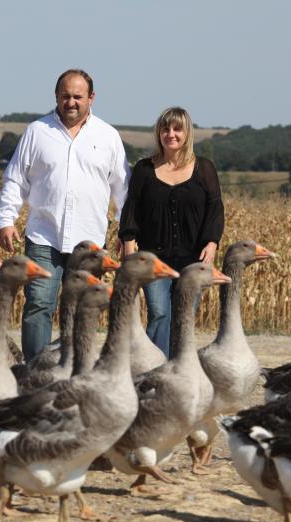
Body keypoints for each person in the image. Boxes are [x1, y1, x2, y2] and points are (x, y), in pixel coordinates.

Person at [0, 68, 129, 361]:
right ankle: (34, 372)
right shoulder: (37, 132)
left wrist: (125, 229)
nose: (71, 102)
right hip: (44, 235)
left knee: (84, 308)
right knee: (38, 305)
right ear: (56, 96)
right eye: (65, 96)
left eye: (78, 97)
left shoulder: (108, 136)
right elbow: (15, 179)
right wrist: (6, 219)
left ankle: (76, 369)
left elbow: (123, 188)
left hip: (89, 242)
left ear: (91, 98)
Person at [118, 107, 224, 358]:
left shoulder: (204, 168)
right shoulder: (144, 169)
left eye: (177, 129)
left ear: (187, 133)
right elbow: (131, 207)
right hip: (154, 259)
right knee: (160, 313)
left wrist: (212, 242)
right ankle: (154, 368)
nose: (171, 134)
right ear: (158, 133)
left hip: (193, 259)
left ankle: (179, 367)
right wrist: (129, 246)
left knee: (184, 315)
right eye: (165, 129)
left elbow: (215, 208)